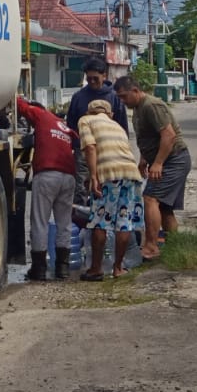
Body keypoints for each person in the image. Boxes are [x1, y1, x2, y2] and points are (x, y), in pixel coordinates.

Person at [114, 77, 192, 260]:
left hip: (174, 159)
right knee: (165, 207)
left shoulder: (151, 105)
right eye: (119, 98)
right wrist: (144, 160)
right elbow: (150, 138)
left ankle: (151, 246)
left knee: (150, 198)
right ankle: (174, 247)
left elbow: (169, 135)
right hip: (168, 159)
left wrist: (158, 163)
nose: (123, 101)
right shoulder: (138, 109)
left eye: (124, 96)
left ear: (135, 90)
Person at [77, 99, 144, 280]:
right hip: (130, 173)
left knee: (100, 221)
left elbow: (91, 148)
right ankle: (118, 268)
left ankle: (96, 269)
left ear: (89, 111)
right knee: (124, 221)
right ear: (110, 114)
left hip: (108, 174)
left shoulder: (86, 120)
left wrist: (92, 176)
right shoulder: (117, 125)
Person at [16, 96, 77, 281]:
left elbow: (21, 106)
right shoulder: (64, 125)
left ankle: (39, 269)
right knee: (64, 223)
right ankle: (62, 269)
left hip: (47, 174)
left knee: (40, 222)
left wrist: (16, 96)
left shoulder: (41, 114)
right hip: (69, 176)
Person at [65, 57, 129, 204]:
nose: (92, 82)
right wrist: (74, 147)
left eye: (95, 78)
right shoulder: (78, 97)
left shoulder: (114, 97)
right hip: (83, 150)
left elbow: (122, 126)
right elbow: (71, 126)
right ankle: (80, 218)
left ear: (104, 76)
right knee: (81, 186)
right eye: (89, 79)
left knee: (107, 184)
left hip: (108, 150)